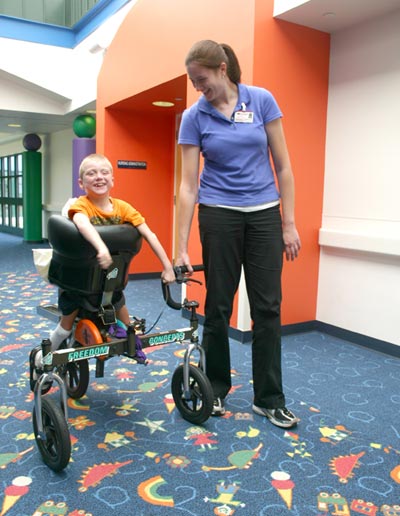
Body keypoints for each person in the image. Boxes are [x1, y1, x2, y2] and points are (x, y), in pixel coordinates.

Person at [176, 40, 301, 428]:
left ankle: (269, 398)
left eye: (202, 80)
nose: (199, 88)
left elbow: (283, 166)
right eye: (193, 82)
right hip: (218, 215)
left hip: (264, 213)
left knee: (267, 308)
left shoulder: (261, 100)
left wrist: (289, 221)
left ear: (222, 69)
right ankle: (215, 389)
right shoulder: (193, 116)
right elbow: (187, 186)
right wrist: (180, 246)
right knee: (218, 306)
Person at [30, 153, 175, 382]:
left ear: (113, 180)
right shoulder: (81, 206)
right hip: (77, 282)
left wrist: (168, 266)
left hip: (109, 280)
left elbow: (149, 234)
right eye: (91, 173)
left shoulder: (123, 208)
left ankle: (129, 340)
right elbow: (81, 223)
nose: (99, 177)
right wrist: (101, 248)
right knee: (66, 325)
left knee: (125, 317)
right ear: (81, 183)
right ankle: (46, 357)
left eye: (104, 172)